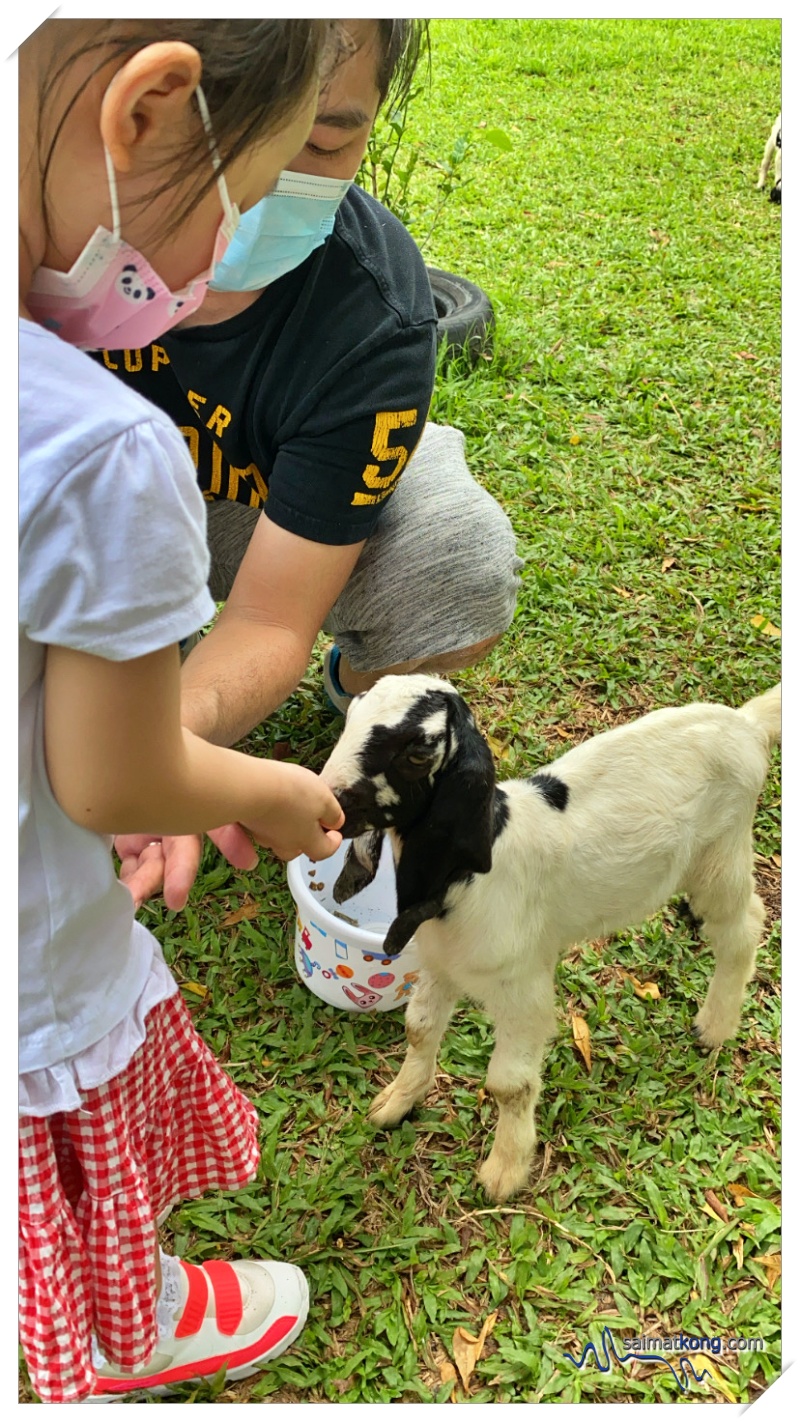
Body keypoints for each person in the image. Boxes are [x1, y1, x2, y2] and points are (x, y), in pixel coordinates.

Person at [19, 18, 347, 1402]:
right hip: (31, 949)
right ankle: (122, 1320)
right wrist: (265, 789)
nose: (234, 260)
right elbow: (111, 783)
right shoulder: (96, 445)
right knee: (61, 1146)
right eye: (259, 194)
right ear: (150, 109)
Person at [101, 18, 524, 912]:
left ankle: (345, 682)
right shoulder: (38, 235)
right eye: (221, 136)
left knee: (455, 562)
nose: (246, 201)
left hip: (261, 504)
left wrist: (160, 750)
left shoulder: (371, 318)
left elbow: (268, 615)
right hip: (112, 497)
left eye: (327, 140)